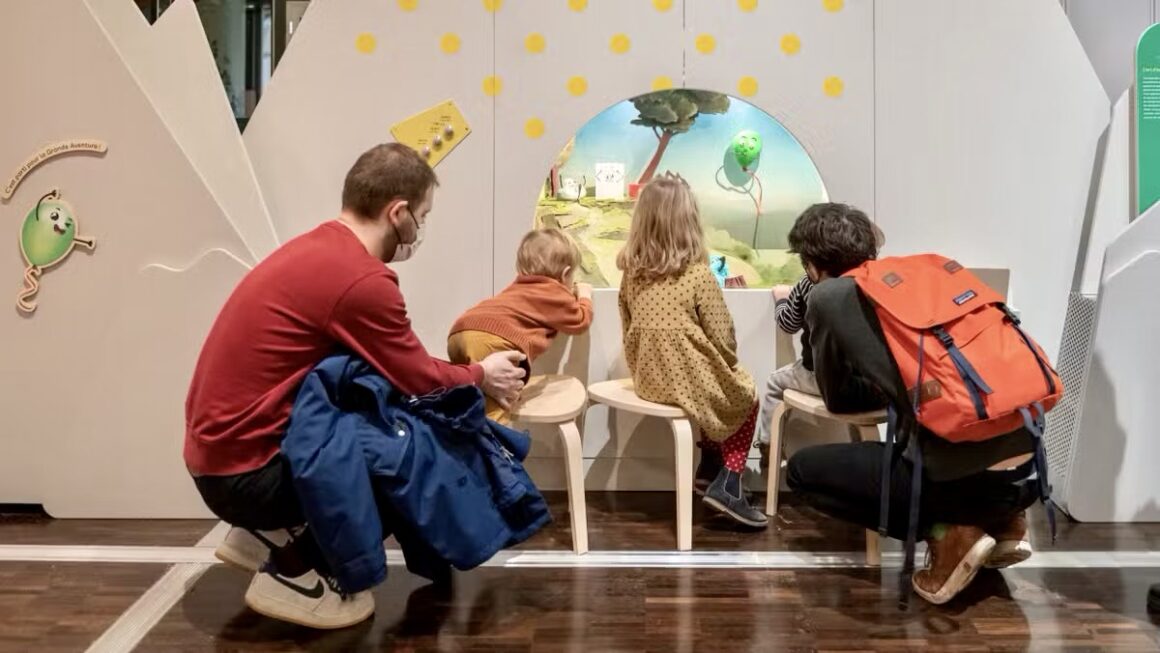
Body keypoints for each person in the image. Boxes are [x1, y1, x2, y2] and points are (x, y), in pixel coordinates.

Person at [183, 143, 528, 629]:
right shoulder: (362, 280)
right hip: (246, 475)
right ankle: (298, 573)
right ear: (399, 213)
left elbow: (394, 361)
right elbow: (420, 381)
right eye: (422, 217)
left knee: (369, 418)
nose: (420, 231)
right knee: (406, 452)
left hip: (217, 459)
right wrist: (481, 374)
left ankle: (269, 535)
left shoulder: (319, 248)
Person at [783, 203, 1037, 605]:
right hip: (1028, 476)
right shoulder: (922, 273)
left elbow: (840, 398)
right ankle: (1005, 522)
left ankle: (951, 532)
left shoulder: (829, 297)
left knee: (800, 472)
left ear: (811, 267)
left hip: (953, 483)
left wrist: (884, 389)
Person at [616, 175, 767, 529]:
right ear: (690, 222)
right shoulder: (698, 275)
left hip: (649, 380)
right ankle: (729, 480)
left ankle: (708, 470)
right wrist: (728, 364)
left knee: (703, 397)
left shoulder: (632, 275)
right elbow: (722, 334)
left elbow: (626, 323)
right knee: (745, 396)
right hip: (686, 378)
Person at [754, 218, 885, 466]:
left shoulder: (807, 286)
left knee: (774, 383)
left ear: (812, 266)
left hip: (819, 377)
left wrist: (782, 299)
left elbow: (787, 323)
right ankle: (867, 452)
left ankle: (768, 447)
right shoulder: (870, 284)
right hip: (872, 381)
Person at [448, 228, 594, 424]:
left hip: (460, 330)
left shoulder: (518, 287)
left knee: (471, 398)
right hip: (493, 339)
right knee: (496, 410)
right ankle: (495, 451)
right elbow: (580, 321)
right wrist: (584, 295)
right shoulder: (555, 291)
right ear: (565, 274)